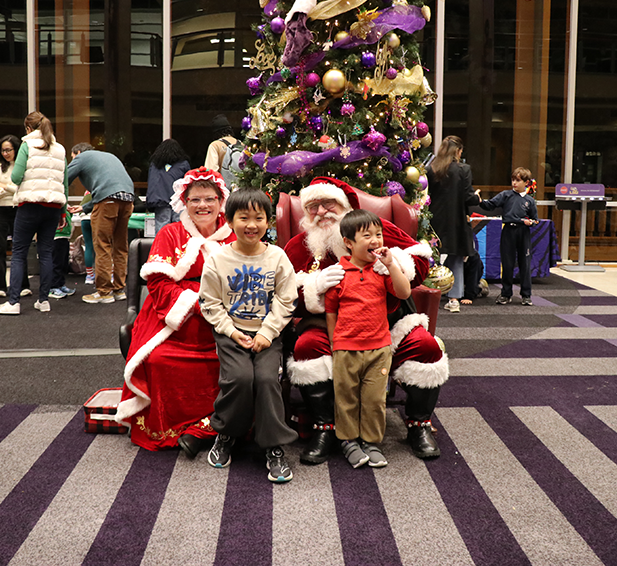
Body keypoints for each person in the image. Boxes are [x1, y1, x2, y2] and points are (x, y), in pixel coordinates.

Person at [284, 177, 447, 462]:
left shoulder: (376, 232)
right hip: (331, 327)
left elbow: (421, 260)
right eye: (313, 207)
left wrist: (394, 265)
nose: (321, 211)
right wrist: (314, 287)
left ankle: (418, 425)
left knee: (427, 347)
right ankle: (325, 426)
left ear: (344, 205)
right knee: (306, 349)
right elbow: (285, 296)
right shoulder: (299, 246)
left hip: (389, 323)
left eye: (328, 203)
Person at [115, 168, 236, 454]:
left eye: (209, 199)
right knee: (157, 359)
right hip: (173, 316)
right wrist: (198, 302)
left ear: (221, 201)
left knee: (236, 366)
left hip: (225, 318)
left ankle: (210, 427)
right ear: (185, 201)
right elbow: (157, 284)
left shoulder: (235, 234)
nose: (202, 205)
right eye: (195, 199)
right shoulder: (170, 233)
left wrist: (219, 306)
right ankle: (178, 428)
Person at [200, 189, 298, 482]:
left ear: (268, 222)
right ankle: (227, 434)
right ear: (230, 221)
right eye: (243, 217)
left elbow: (286, 298)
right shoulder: (218, 258)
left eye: (259, 218)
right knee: (240, 378)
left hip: (268, 335)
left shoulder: (277, 257)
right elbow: (209, 302)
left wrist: (267, 333)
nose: (251, 224)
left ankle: (274, 446)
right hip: (232, 334)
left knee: (268, 379)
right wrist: (231, 331)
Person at [325, 210, 412, 469]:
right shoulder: (338, 273)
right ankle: (348, 441)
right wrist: (334, 344)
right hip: (346, 348)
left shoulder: (381, 271)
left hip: (379, 348)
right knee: (346, 397)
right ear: (348, 242)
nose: (375, 240)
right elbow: (331, 312)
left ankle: (371, 442)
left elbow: (404, 291)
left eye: (378, 234)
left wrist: (391, 264)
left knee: (374, 399)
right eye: (367, 235)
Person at [0, 111, 67, 315]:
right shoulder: (60, 148)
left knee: (18, 253)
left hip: (30, 205)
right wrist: (63, 213)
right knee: (47, 253)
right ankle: (44, 301)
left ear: (28, 128)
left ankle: (13, 302)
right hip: (53, 208)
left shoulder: (27, 145)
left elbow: (16, 176)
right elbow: (64, 183)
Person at [66, 143, 135, 304]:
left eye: (72, 157)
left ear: (77, 152)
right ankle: (119, 289)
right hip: (127, 199)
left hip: (107, 201)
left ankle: (104, 292)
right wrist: (84, 207)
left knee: (102, 244)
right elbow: (109, 188)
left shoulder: (81, 157)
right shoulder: (108, 156)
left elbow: (64, 179)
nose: (72, 161)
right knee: (120, 245)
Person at [426, 136, 481, 311]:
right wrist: (477, 197)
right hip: (456, 221)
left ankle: (427, 296)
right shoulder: (463, 169)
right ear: (458, 151)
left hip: (434, 221)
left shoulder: (430, 169)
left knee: (431, 258)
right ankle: (454, 300)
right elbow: (468, 196)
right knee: (456, 258)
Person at [478, 167, 539, 305]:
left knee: (525, 264)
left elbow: (536, 219)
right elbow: (490, 205)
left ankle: (526, 295)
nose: (514, 183)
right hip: (508, 232)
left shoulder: (530, 200)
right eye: (513, 180)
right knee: (507, 263)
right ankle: (506, 293)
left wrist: (531, 223)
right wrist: (480, 201)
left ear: (526, 182)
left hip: (523, 232)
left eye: (518, 180)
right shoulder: (505, 195)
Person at [0, 134, 31, 298]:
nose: (6, 153)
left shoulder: (21, 165)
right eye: (3, 150)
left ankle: (23, 285)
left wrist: (6, 187)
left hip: (17, 208)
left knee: (20, 248)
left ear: (16, 150)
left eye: (9, 150)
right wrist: (11, 188)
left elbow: (23, 189)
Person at [147, 138, 190, 234]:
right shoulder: (183, 164)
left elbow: (152, 183)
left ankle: (162, 248)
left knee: (162, 227)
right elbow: (187, 183)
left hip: (160, 201)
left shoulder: (154, 165)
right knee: (178, 227)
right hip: (178, 201)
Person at [48, 208, 76, 299]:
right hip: (56, 236)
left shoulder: (65, 204)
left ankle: (60, 284)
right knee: (56, 263)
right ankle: (53, 286)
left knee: (63, 263)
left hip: (65, 236)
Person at [204, 114, 239, 186]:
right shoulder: (241, 144)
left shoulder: (215, 145)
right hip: (240, 187)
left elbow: (211, 171)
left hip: (225, 187)